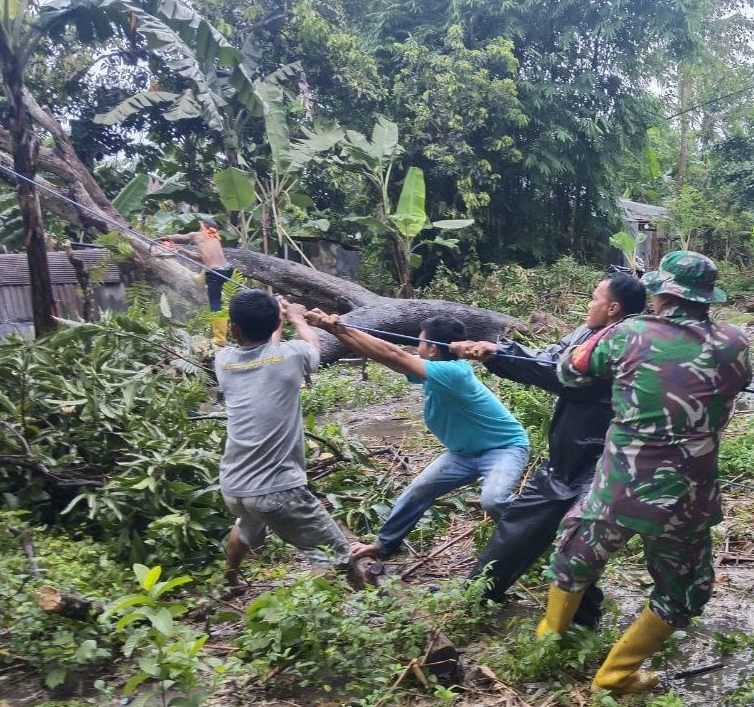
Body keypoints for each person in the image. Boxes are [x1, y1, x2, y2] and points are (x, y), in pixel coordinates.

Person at [535, 250, 752, 694]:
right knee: (684, 590)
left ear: (662, 295)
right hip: (685, 495)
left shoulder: (626, 333)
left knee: (575, 558)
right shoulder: (734, 343)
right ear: (705, 297)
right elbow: (737, 382)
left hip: (618, 485)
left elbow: (570, 372)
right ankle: (615, 676)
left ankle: (548, 640)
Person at [449, 271, 647, 628]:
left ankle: (582, 625)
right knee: (517, 527)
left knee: (576, 542)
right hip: (566, 456)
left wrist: (499, 354)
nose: (589, 304)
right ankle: (477, 595)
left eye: (595, 298)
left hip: (602, 461)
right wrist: (494, 351)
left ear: (613, 308)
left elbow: (558, 374)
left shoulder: (624, 342)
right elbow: (549, 356)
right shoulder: (586, 332)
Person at [303, 311, 530, 563]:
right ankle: (384, 545)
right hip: (464, 454)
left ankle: (531, 536)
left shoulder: (454, 373)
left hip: (504, 448)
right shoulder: (434, 371)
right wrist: (337, 330)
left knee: (493, 500)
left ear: (432, 349)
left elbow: (394, 354)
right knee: (419, 490)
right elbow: (388, 359)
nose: (416, 347)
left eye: (420, 342)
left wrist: (344, 328)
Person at [218, 289, 351, 593]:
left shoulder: (223, 361)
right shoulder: (293, 355)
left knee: (246, 526)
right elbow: (313, 347)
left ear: (234, 329)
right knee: (334, 554)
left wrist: (277, 321)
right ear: (275, 324)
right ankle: (305, 611)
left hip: (234, 486)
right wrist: (296, 318)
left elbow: (267, 354)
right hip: (276, 491)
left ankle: (228, 583)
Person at [162, 220, 234, 344]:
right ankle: (199, 280)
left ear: (203, 227)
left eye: (200, 226)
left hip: (215, 274)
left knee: (215, 305)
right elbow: (202, 258)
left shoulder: (197, 235)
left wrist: (166, 238)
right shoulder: (214, 238)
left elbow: (181, 237)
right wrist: (184, 251)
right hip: (227, 270)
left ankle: (220, 338)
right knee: (204, 274)